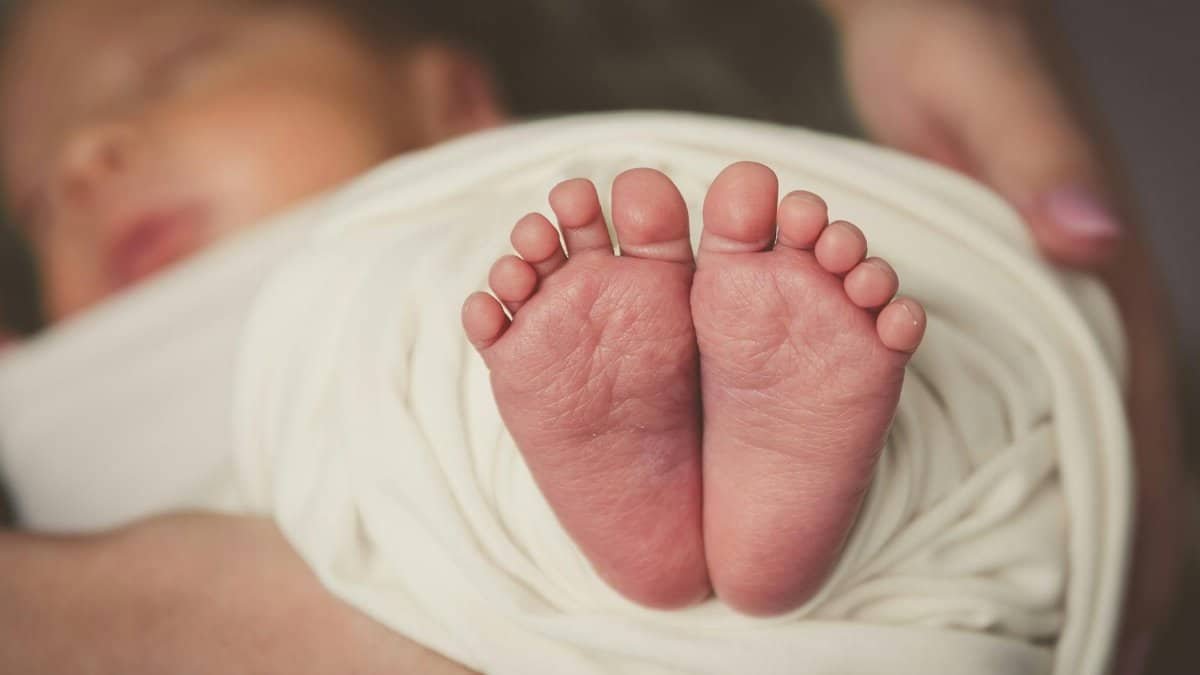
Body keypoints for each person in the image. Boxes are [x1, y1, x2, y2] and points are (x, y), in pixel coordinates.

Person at [0, 0, 1182, 673]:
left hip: (453, 355)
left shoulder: (492, 223)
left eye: (174, 68)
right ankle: (699, 501)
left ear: (447, 96)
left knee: (443, 314)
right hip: (224, 521)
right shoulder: (54, 383)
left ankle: (715, 482)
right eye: (40, 205)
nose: (84, 159)